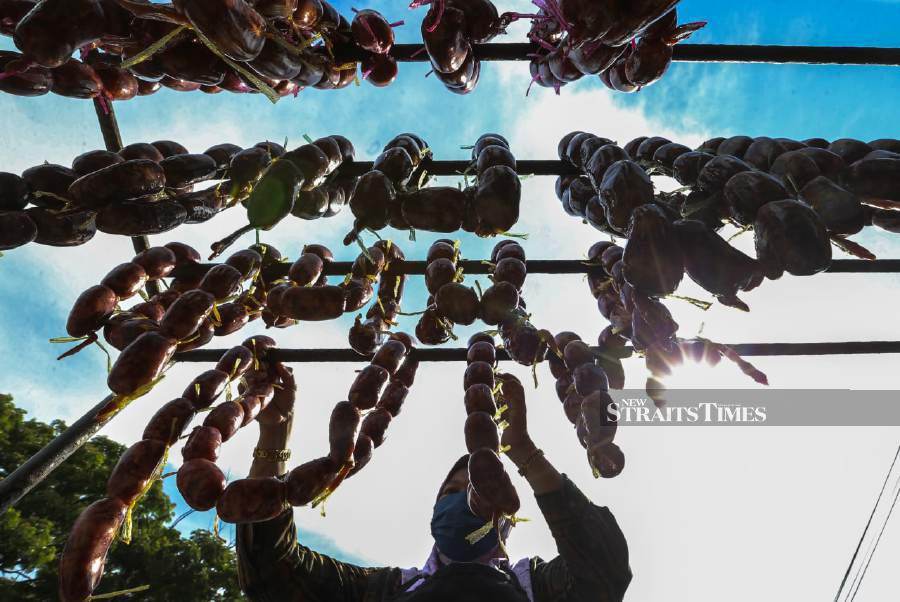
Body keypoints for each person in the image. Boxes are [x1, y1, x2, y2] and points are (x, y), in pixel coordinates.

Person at [236, 370, 632, 601]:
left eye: (480, 488)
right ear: (433, 514)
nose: (464, 497)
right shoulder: (386, 591)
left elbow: (605, 568)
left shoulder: (541, 588)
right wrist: (274, 435)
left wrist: (526, 454)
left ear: (508, 516)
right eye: (450, 492)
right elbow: (273, 573)